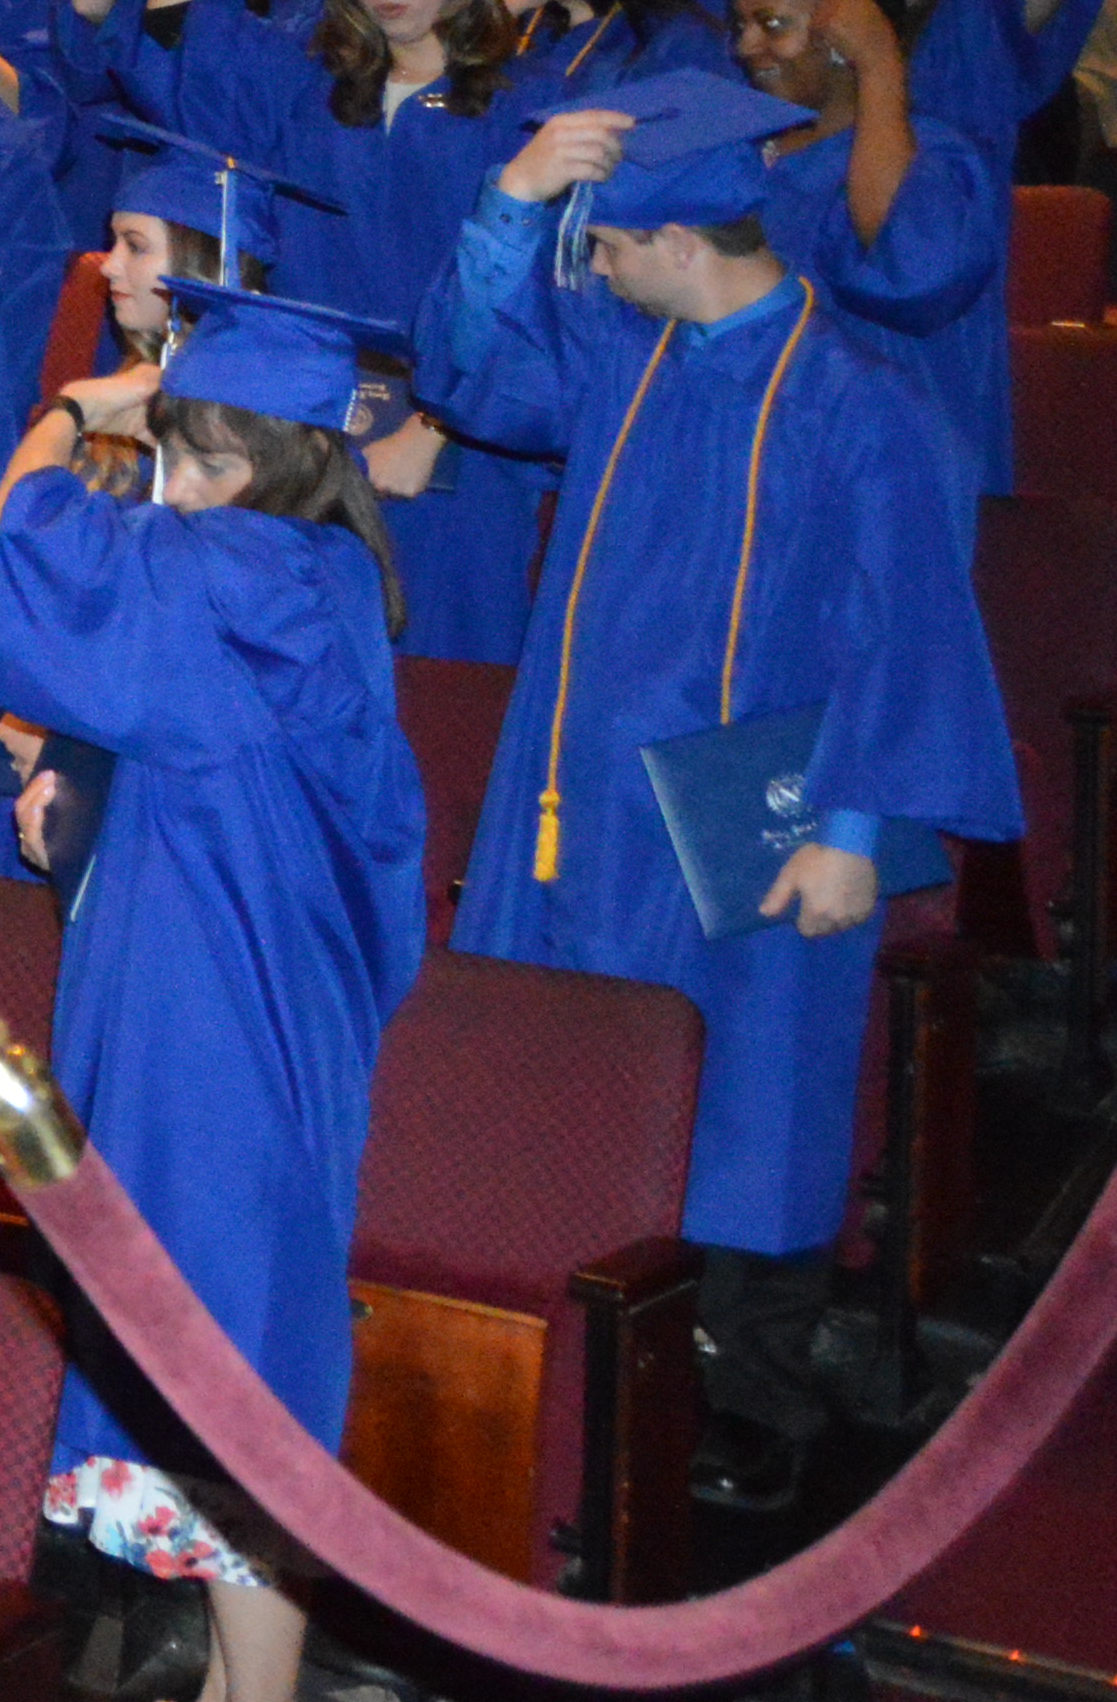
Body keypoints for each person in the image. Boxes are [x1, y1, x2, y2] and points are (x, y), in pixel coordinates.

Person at [415, 73, 1017, 1511]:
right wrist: (511, 199)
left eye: (608, 248)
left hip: (756, 809)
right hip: (571, 803)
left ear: (682, 244)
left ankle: (752, 1397)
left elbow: (904, 628)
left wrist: (856, 834)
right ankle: (573, 1368)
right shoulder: (627, 366)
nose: (599, 274)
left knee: (756, 1092)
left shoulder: (859, 409)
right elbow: (463, 370)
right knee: (568, 1069)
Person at [0, 285, 424, 1702]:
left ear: (239, 467)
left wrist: (65, 413)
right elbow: (197, 756)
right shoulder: (312, 573)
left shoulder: (258, 573)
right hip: (211, 986)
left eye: (189, 452)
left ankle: (261, 1687)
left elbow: (24, 532)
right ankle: (241, 1678)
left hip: (226, 1019)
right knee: (204, 1328)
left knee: (234, 1336)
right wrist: (78, 809)